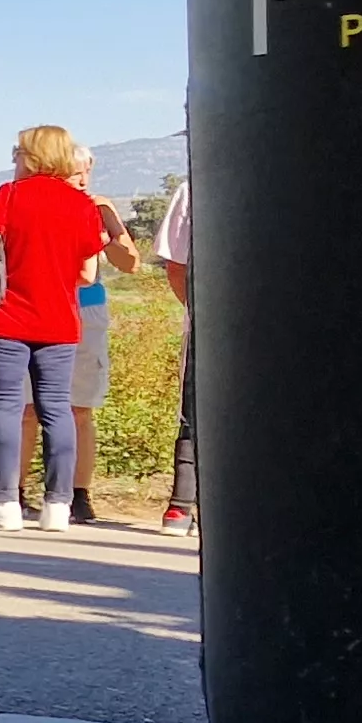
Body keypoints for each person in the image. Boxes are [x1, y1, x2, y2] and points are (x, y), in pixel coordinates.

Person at [0, 125, 107, 533]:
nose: (15, 157)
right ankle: (58, 505)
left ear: (33, 155)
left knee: (6, 405)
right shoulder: (82, 205)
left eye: (19, 151)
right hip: (60, 321)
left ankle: (4, 502)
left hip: (7, 318)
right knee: (57, 408)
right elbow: (87, 274)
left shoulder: (9, 195)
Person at [63, 145, 143, 527]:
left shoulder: (99, 207)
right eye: (74, 172)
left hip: (87, 308)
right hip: (44, 305)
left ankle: (79, 493)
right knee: (28, 408)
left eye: (87, 172)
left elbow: (130, 264)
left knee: (80, 407)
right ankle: (18, 490)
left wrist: (109, 227)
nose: (82, 180)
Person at [155, 175, 198, 533]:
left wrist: (198, 312)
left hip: (208, 327)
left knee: (194, 413)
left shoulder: (192, 187)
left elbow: (175, 265)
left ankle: (180, 506)